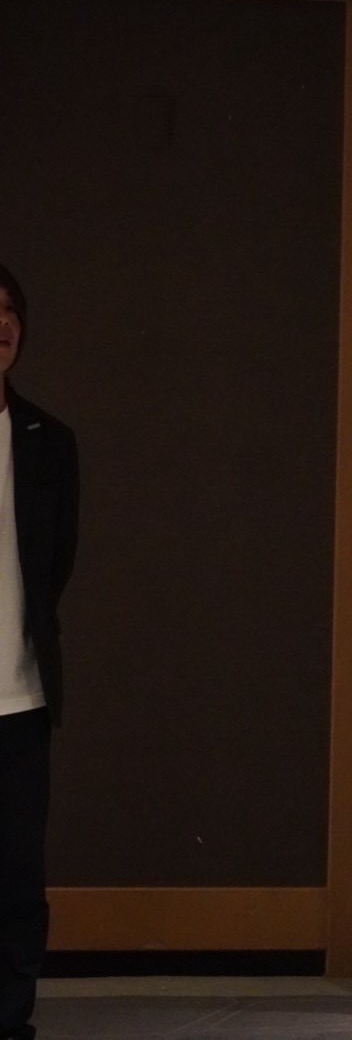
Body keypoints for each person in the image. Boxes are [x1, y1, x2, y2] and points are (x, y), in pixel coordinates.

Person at [0, 263, 79, 1040]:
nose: (1, 323)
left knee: (18, 879)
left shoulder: (48, 440)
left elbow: (57, 563)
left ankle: (11, 1020)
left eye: (10, 310)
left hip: (20, 699)